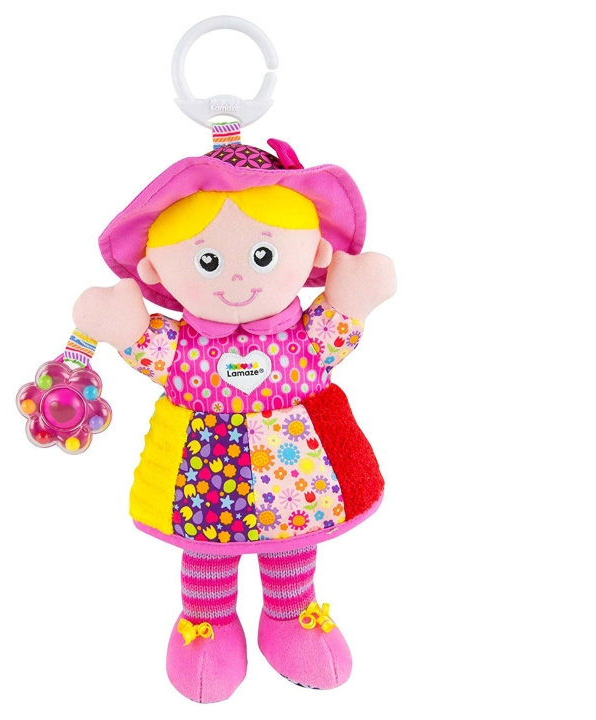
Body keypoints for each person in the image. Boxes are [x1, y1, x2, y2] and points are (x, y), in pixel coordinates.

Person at [73, 140, 396, 702]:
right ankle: (207, 623)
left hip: (297, 476)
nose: (238, 280)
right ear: (154, 268)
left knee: (294, 542)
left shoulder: (302, 339)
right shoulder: (182, 348)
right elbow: (146, 344)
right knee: (206, 553)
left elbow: (335, 326)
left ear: (316, 252)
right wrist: (122, 326)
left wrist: (353, 299)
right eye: (209, 261)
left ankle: (291, 615)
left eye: (264, 254)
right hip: (204, 476)